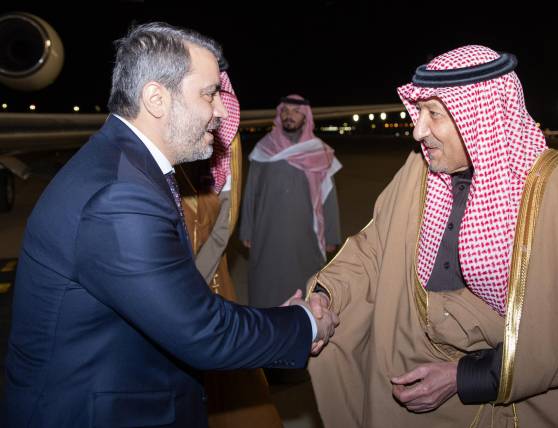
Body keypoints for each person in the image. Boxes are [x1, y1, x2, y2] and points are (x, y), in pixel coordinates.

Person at [2, 22, 338, 428]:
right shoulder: (120, 197)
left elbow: (177, 306)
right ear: (156, 99)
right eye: (209, 94)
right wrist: (305, 322)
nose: (220, 111)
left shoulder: (126, 165)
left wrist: (272, 321)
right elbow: (202, 332)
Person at [306, 45, 558, 427]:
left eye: (434, 114)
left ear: (480, 117)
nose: (418, 130)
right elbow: (373, 250)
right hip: (407, 368)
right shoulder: (418, 170)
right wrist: (325, 296)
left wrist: (465, 377)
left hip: (504, 389)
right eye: (419, 112)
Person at [175, 68, 282, 427]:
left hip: (208, 279)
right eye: (208, 96)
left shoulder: (224, 146)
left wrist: (193, 283)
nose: (218, 110)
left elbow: (223, 225)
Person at [240, 95, 342, 309]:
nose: (289, 115)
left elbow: (328, 197)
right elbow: (251, 192)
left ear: (306, 117)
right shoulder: (264, 148)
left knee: (303, 292)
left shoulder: (318, 152)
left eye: (296, 111)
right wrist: (247, 230)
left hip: (305, 236)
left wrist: (331, 235)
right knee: (266, 290)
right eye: (285, 111)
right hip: (267, 234)